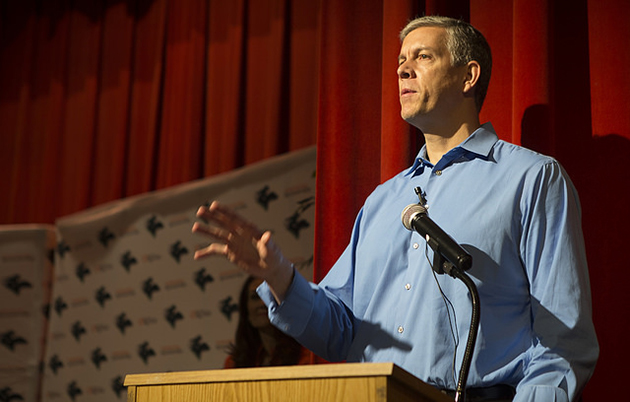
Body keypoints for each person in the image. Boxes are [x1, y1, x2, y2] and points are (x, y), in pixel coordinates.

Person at [193, 15, 598, 402]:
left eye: (423, 57)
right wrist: (280, 278)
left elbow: (562, 339)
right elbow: (341, 330)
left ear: (468, 76)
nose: (404, 70)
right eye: (401, 61)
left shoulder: (531, 178)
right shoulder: (383, 201)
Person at [224, 275, 310, 368]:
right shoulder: (234, 362)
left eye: (269, 296)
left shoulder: (306, 355)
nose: (262, 303)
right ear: (246, 309)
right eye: (255, 297)